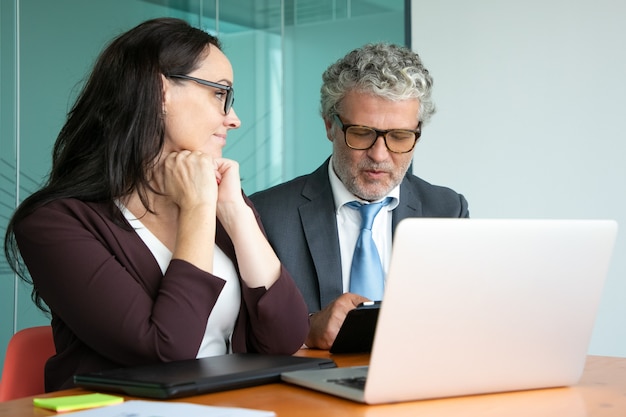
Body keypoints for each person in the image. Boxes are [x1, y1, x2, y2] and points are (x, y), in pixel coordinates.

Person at [3, 17, 309, 392]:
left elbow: (286, 339)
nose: (233, 118)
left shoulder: (221, 202)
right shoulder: (53, 223)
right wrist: (198, 209)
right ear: (160, 90)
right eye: (220, 93)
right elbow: (166, 352)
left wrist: (234, 213)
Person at [250, 42, 469, 350]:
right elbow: (243, 337)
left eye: (399, 136)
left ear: (417, 132)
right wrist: (307, 329)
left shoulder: (448, 210)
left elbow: (463, 321)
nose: (379, 155)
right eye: (362, 133)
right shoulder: (265, 215)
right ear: (330, 124)